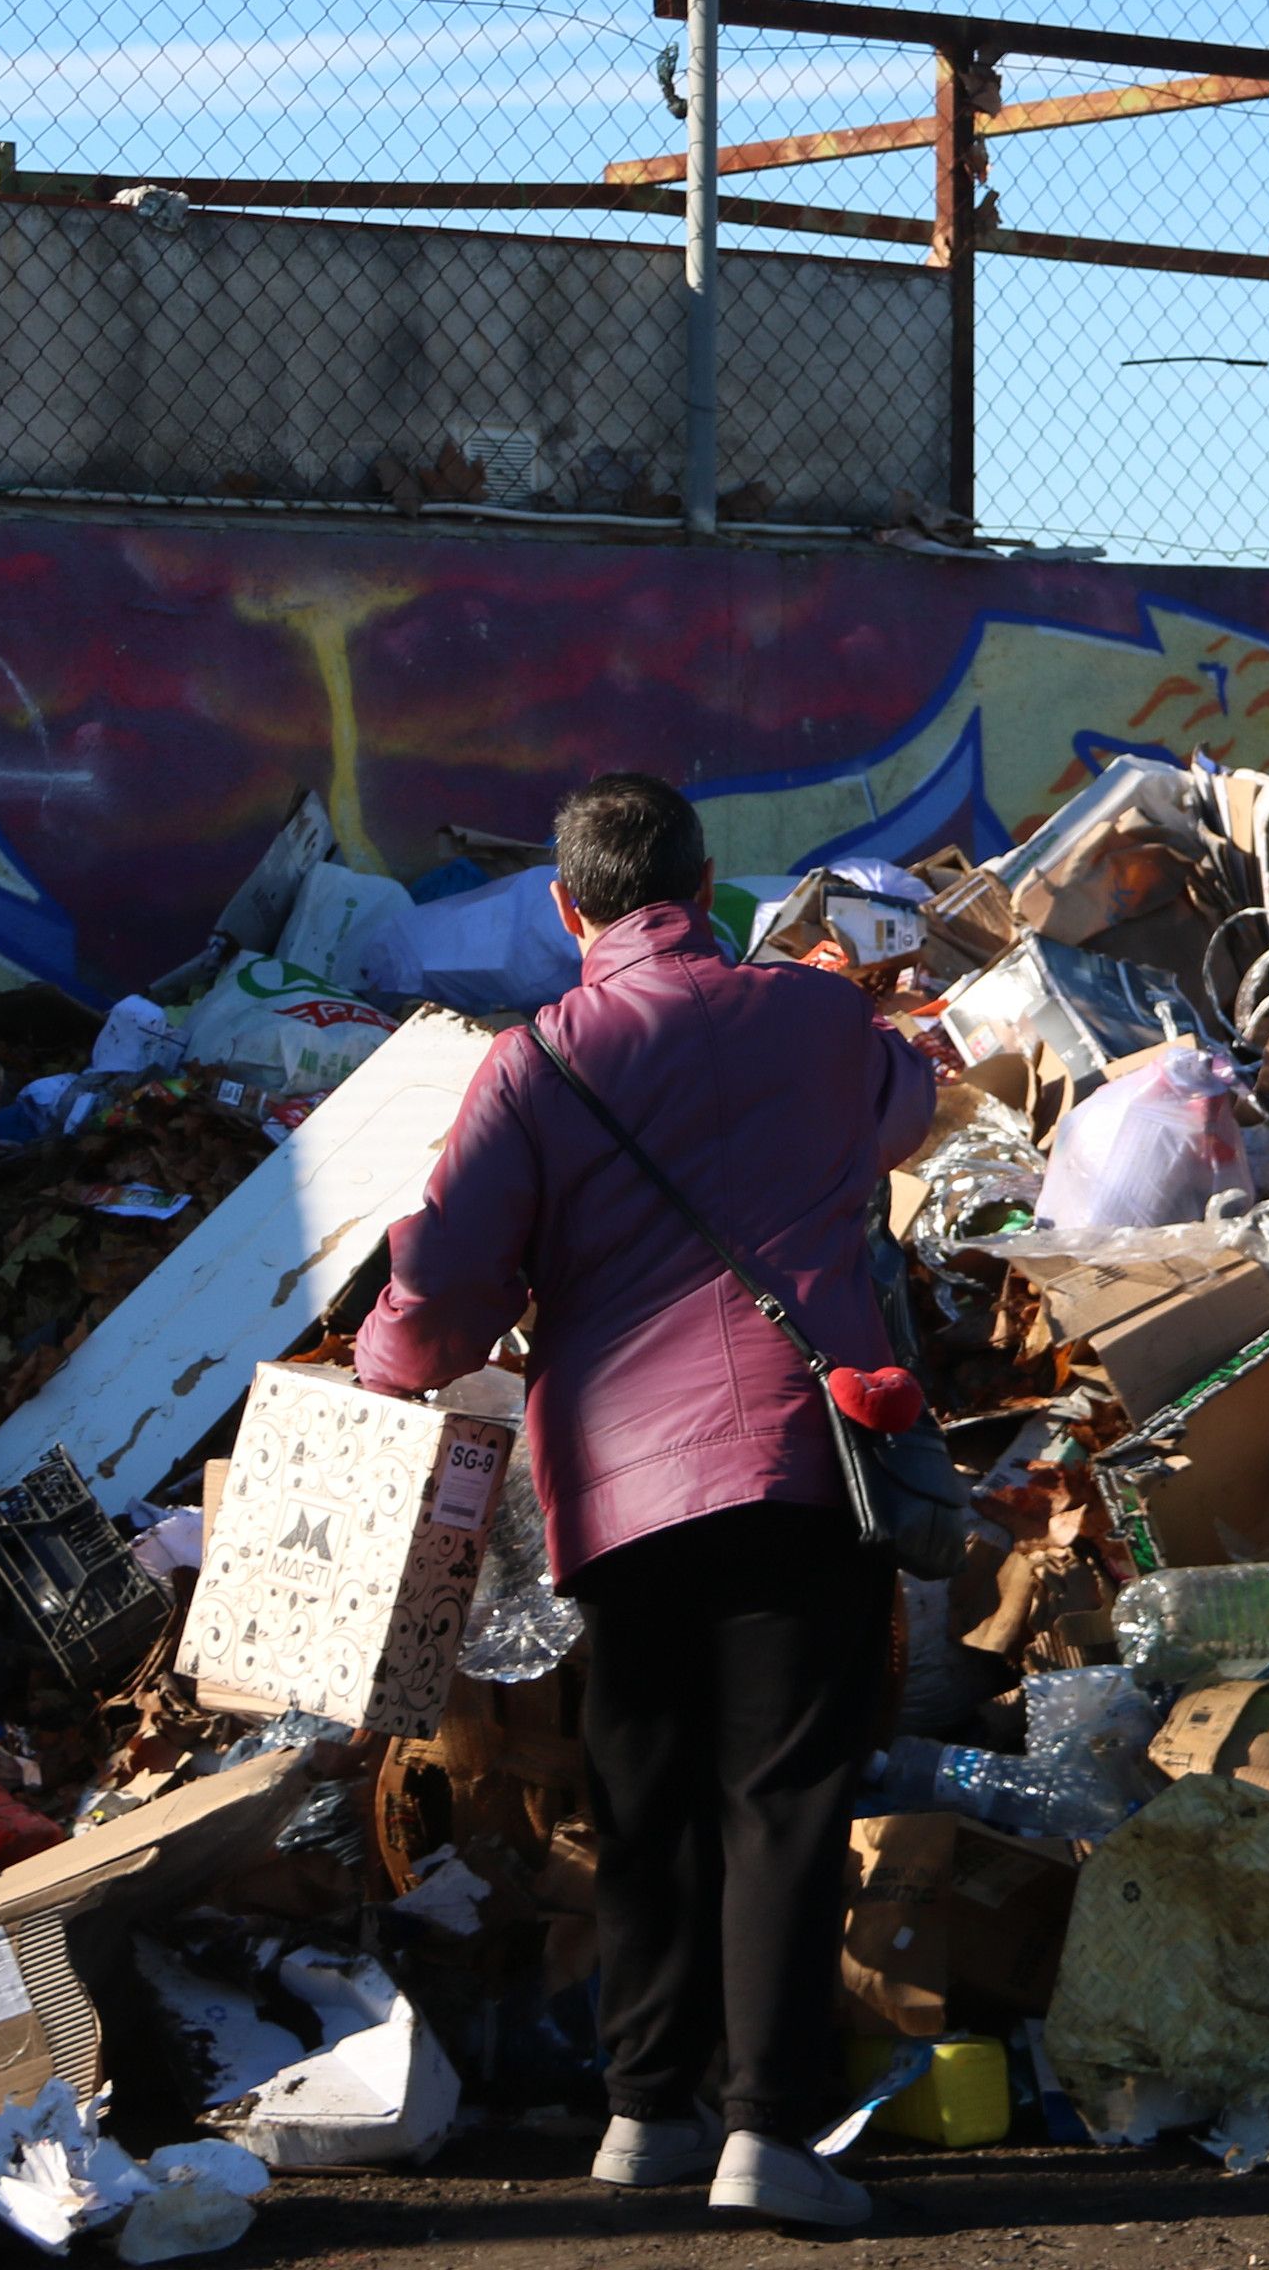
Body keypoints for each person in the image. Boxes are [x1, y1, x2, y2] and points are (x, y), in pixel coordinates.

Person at [354, 771, 934, 2229]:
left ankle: (644, 2115)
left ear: (568, 908)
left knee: (646, 1799)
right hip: (801, 1466)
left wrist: (379, 1364)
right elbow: (908, 1106)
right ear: (708, 879)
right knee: (782, 1801)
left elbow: (441, 1294)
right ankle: (773, 2137)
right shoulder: (814, 1014)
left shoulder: (533, 1064)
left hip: (616, 1492)